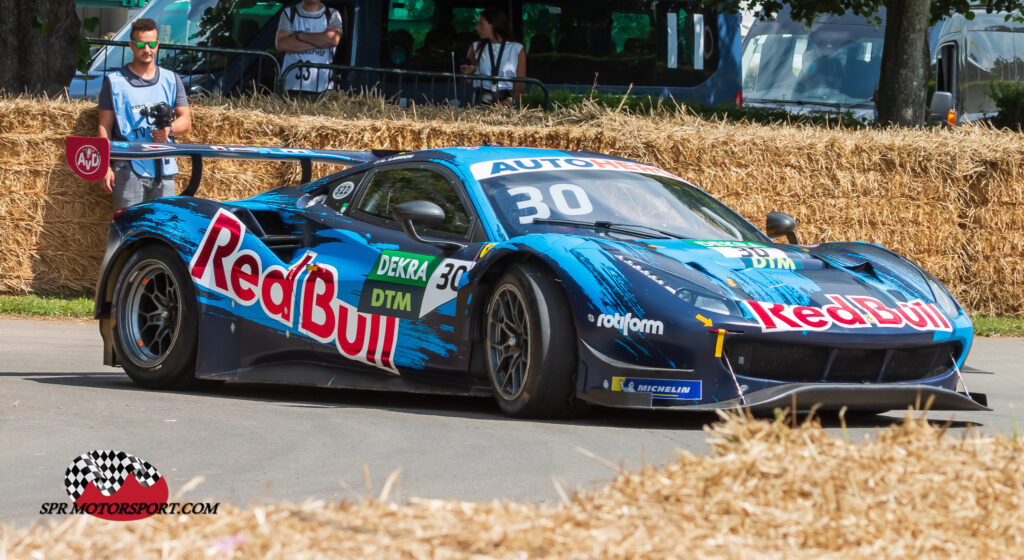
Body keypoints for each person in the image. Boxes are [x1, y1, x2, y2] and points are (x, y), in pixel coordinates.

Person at [97, 18, 191, 211]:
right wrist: (104, 166)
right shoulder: (114, 81)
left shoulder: (171, 79)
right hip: (128, 167)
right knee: (129, 228)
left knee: (163, 228)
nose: (147, 49)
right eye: (141, 44)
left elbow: (186, 121)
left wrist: (169, 130)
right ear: (131, 45)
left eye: (152, 44)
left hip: (163, 167)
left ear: (157, 45)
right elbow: (104, 125)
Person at [275, 0, 343, 99]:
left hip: (322, 91)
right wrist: (321, 41)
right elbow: (282, 43)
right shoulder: (289, 12)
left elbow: (332, 39)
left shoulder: (332, 14)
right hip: (290, 89)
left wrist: (300, 35)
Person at [459, 8, 527, 106]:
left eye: (481, 24)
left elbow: (521, 85)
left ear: (494, 24)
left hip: (507, 103)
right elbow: (466, 81)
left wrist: (510, 101)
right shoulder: (475, 48)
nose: (477, 28)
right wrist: (465, 73)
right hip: (482, 101)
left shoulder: (516, 49)